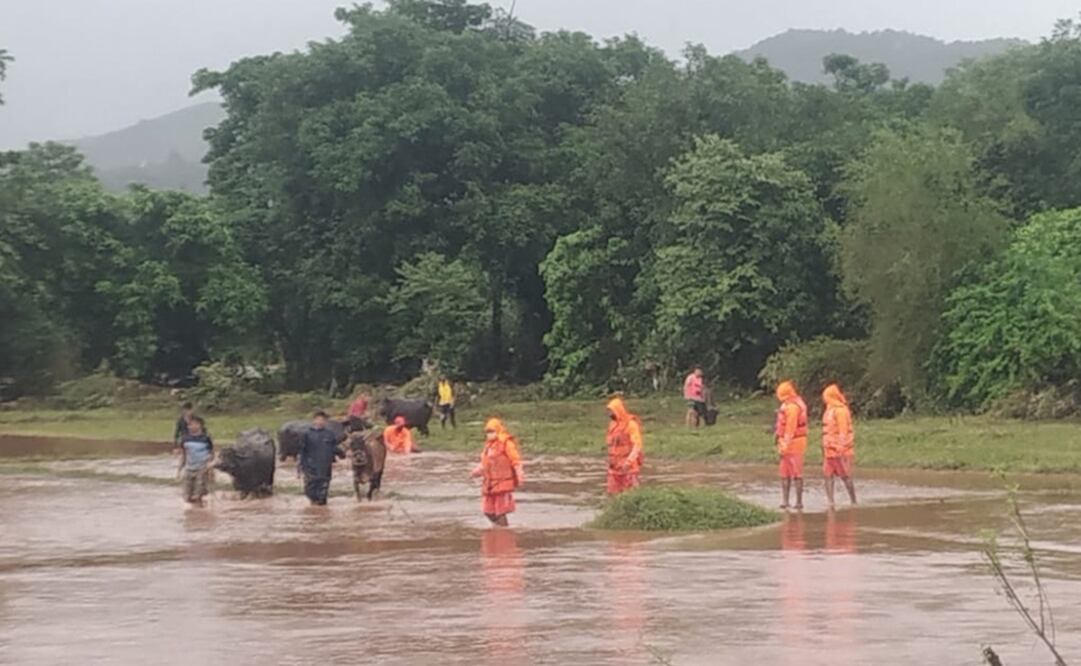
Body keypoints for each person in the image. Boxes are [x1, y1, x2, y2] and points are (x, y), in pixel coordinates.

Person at [471, 418, 523, 526]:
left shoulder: (506, 444)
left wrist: (519, 474)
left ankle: (504, 532)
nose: (489, 434)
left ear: (498, 430)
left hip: (503, 482)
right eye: (487, 432)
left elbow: (516, 460)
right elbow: (485, 463)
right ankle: (499, 529)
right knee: (488, 511)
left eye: (492, 431)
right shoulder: (488, 446)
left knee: (500, 511)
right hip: (490, 483)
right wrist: (475, 472)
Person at [298, 410, 345, 506]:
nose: (320, 422)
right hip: (310, 466)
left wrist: (342, 454)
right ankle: (314, 506)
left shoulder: (329, 434)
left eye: (323, 420)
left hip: (325, 467)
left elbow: (333, 447)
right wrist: (301, 466)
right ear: (314, 420)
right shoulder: (306, 434)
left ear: (325, 422)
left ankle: (321, 509)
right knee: (310, 490)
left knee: (323, 491)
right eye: (318, 419)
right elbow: (302, 451)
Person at [822, 383, 857, 507]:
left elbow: (843, 431)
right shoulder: (829, 410)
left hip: (840, 450)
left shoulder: (841, 411)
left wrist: (841, 447)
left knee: (845, 476)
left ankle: (853, 500)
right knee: (827, 475)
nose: (824, 399)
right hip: (829, 450)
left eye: (826, 396)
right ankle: (830, 502)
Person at [775, 381, 808, 510]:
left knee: (796, 473)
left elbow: (791, 427)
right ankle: (785, 501)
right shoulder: (788, 404)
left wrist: (785, 443)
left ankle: (799, 502)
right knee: (784, 473)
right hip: (785, 442)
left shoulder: (793, 407)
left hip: (795, 443)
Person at [606, 397, 644, 494]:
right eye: (609, 411)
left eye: (611, 411)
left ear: (618, 410)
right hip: (614, 467)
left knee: (631, 494)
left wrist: (629, 462)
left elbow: (637, 445)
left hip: (628, 467)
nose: (609, 414)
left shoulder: (631, 425)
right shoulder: (612, 425)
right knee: (612, 494)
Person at [177, 416, 213, 507]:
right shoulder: (185, 439)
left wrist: (211, 470)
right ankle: (193, 516)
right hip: (189, 468)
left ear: (199, 425)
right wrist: (179, 470)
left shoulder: (206, 438)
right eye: (189, 425)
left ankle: (200, 515)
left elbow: (211, 454)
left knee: (198, 495)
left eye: (192, 424)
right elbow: (184, 455)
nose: (189, 427)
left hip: (202, 468)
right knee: (187, 496)